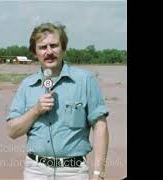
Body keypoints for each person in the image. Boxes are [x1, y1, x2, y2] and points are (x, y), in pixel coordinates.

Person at [6, 22, 109, 180]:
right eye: (42, 47)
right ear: (35, 52)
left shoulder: (85, 80)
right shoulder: (27, 85)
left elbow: (100, 126)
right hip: (35, 171)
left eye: (54, 45)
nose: (49, 52)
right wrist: (35, 111)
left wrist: (98, 173)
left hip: (73, 172)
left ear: (63, 48)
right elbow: (12, 132)